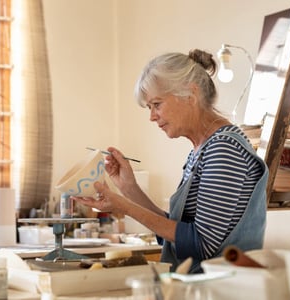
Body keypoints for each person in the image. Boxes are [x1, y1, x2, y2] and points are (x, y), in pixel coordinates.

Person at [72, 50, 269, 273]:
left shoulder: (223, 149)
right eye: (149, 107)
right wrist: (129, 188)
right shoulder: (202, 149)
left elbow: (200, 244)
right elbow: (174, 234)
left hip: (224, 290)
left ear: (190, 95)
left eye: (157, 104)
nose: (152, 116)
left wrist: (124, 206)